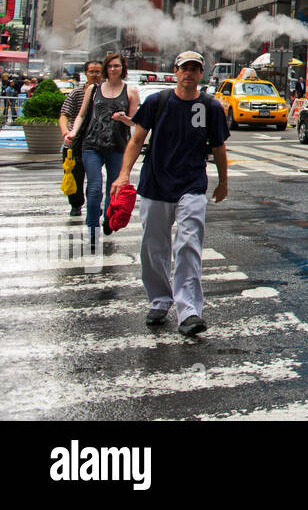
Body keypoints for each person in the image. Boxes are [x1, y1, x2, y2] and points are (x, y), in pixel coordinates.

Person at [112, 51, 229, 336]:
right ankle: (160, 300)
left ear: (201, 74)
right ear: (175, 71)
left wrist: (223, 182)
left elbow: (218, 148)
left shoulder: (211, 107)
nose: (189, 73)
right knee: (153, 246)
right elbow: (137, 139)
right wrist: (124, 174)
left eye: (194, 69)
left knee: (189, 244)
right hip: (155, 183)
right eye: (184, 68)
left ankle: (189, 311)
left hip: (191, 185)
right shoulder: (157, 102)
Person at [70, 53, 138, 245]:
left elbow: (134, 122)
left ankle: (108, 218)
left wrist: (123, 119)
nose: (113, 69)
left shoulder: (131, 91)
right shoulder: (93, 89)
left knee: (113, 189)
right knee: (94, 188)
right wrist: (73, 133)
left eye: (117, 66)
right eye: (110, 66)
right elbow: (82, 115)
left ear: (123, 69)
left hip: (118, 146)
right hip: (92, 145)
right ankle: (92, 227)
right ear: (105, 69)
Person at [59, 59, 105, 217]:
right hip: (76, 142)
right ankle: (76, 204)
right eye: (91, 71)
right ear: (85, 73)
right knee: (76, 176)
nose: (94, 74)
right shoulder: (77, 93)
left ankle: (94, 204)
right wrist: (66, 132)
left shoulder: (106, 93)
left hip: (96, 142)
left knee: (95, 177)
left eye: (98, 71)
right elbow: (64, 115)